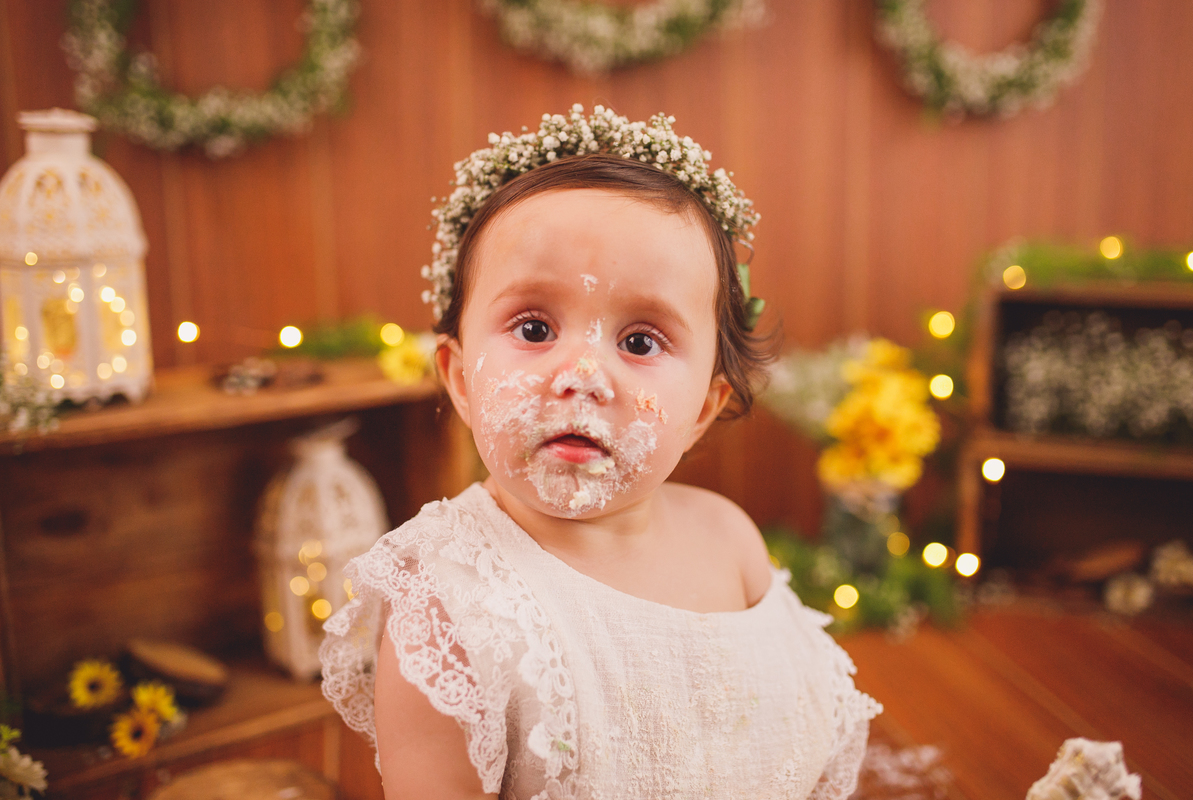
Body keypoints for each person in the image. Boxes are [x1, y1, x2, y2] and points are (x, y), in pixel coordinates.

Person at [319, 106, 881, 800]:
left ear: (703, 408)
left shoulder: (729, 539)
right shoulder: (447, 604)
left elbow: (801, 735)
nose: (582, 374)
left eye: (640, 342)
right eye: (534, 327)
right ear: (462, 380)